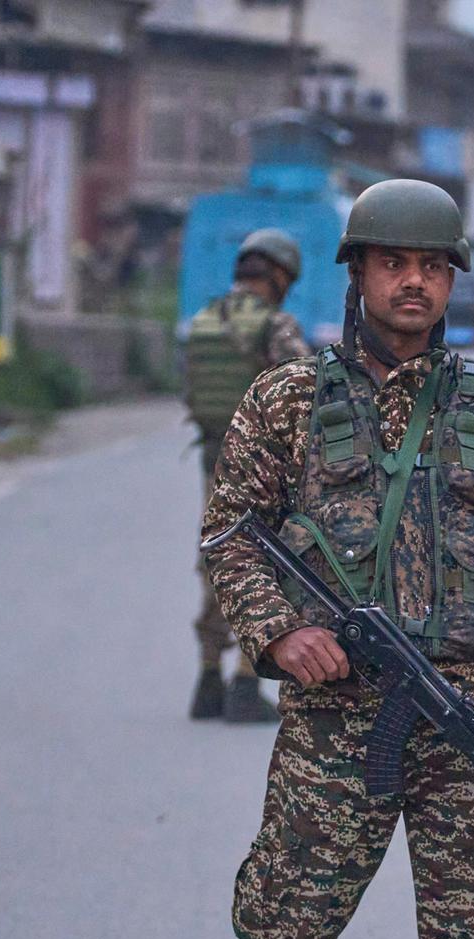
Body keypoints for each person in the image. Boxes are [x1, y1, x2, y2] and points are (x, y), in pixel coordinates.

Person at [201, 179, 474, 939]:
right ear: (359, 273)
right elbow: (229, 537)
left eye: (432, 268)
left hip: (470, 725)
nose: (413, 283)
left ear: (452, 282)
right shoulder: (285, 404)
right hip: (335, 725)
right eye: (394, 264)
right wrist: (280, 634)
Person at [184, 228, 311, 722]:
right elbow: (303, 390)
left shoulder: (206, 319)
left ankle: (207, 676)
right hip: (262, 464)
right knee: (265, 562)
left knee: (217, 557)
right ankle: (243, 680)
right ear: (279, 277)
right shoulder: (275, 324)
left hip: (212, 455)